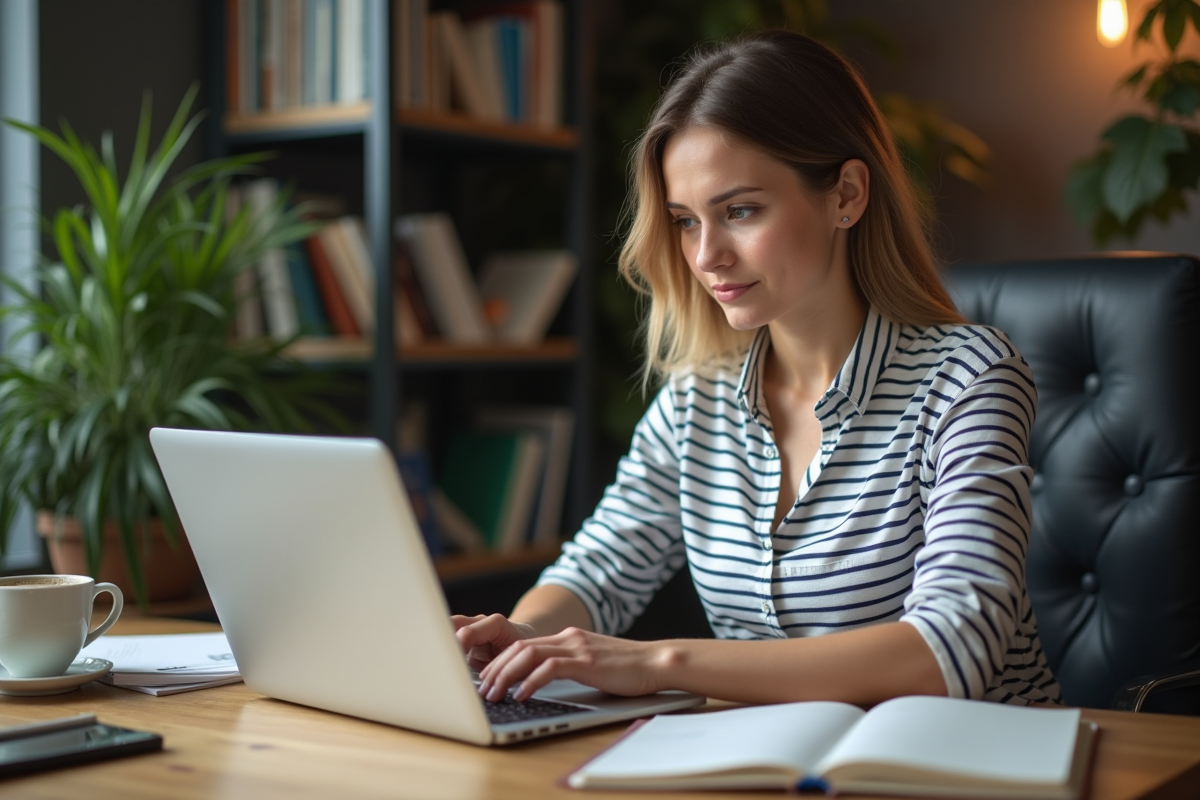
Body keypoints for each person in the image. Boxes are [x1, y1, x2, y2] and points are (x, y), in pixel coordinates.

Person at [454, 29, 1061, 708]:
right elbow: (599, 572)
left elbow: (954, 646)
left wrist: (660, 662)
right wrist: (524, 637)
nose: (706, 254)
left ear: (847, 196)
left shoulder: (968, 378)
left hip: (970, 762)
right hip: (773, 763)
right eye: (685, 221)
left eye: (740, 211)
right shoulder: (697, 400)